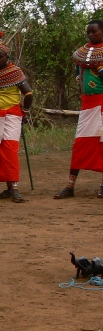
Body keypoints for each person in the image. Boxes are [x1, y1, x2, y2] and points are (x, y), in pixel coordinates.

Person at [54, 20, 103, 199]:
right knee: (80, 144)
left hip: (102, 104)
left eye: (94, 31)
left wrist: (100, 69)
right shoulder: (81, 53)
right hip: (87, 106)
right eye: (88, 32)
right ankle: (70, 186)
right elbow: (77, 69)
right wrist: (78, 77)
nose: (90, 35)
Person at [0, 34, 33, 202]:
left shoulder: (15, 72)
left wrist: (24, 112)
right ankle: (8, 188)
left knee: (10, 150)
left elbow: (28, 94)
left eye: (0, 56)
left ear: (7, 57)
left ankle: (15, 188)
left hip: (11, 115)